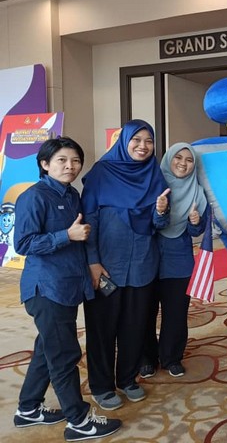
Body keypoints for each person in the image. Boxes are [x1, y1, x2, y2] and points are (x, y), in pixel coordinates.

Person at [13, 137, 121, 441]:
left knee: (47, 349)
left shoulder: (72, 194)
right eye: (62, 160)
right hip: (47, 288)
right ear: (45, 164)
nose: (70, 166)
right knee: (63, 354)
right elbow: (23, 243)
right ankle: (79, 421)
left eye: (75, 160)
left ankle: (28, 408)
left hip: (67, 285)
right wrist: (66, 235)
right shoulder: (34, 197)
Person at [81, 120, 169, 411]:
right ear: (124, 141)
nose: (143, 146)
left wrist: (160, 212)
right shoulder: (101, 173)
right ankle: (102, 385)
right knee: (102, 329)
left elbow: (158, 225)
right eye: (137, 140)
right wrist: (93, 262)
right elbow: (89, 222)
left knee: (135, 326)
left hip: (143, 266)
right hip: (107, 267)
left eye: (149, 141)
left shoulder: (154, 175)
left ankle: (127, 379)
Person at [140, 143, 208, 379]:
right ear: (169, 159)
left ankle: (171, 358)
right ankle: (147, 358)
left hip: (179, 260)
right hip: (148, 258)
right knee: (145, 312)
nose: (183, 163)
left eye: (189, 160)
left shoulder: (197, 192)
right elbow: (148, 224)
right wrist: (160, 211)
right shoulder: (153, 186)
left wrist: (195, 221)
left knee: (176, 313)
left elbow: (196, 231)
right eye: (178, 157)